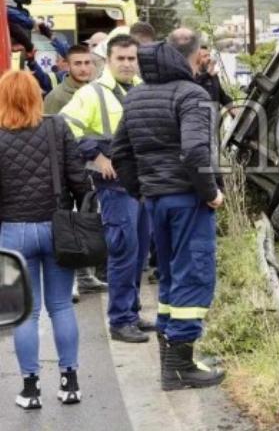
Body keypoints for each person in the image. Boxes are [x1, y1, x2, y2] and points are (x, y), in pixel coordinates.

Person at [112, 28, 226, 391]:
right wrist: (211, 192)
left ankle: (174, 361)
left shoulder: (135, 96)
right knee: (193, 275)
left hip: (156, 201)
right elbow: (194, 151)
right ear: (191, 56)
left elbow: (120, 153)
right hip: (187, 199)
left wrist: (141, 191)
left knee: (172, 277)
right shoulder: (192, 94)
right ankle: (179, 367)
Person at [0, 71, 91, 409]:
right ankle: (70, 383)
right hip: (57, 228)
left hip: (12, 232)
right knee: (61, 306)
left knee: (26, 312)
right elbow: (79, 181)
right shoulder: (57, 128)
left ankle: (30, 389)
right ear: (36, 96)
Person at [61, 35, 153, 343]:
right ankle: (120, 320)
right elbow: (65, 126)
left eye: (131, 58)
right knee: (124, 249)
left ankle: (132, 312)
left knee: (139, 251)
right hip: (114, 186)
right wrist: (97, 156)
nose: (127, 64)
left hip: (142, 183)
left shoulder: (142, 89)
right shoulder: (92, 93)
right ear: (109, 61)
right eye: (120, 59)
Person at [43, 45, 108, 300]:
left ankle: (86, 276)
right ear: (67, 66)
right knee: (70, 225)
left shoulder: (99, 91)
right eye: (77, 63)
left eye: (87, 62)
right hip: (68, 171)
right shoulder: (57, 97)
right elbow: (48, 137)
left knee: (89, 221)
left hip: (95, 167)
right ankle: (71, 282)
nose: (83, 68)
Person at [195, 39, 235, 115]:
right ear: (196, 59)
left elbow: (221, 95)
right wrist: (207, 75)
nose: (209, 58)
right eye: (205, 56)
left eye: (209, 55)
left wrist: (232, 108)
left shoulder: (213, 75)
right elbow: (195, 85)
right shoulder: (192, 75)